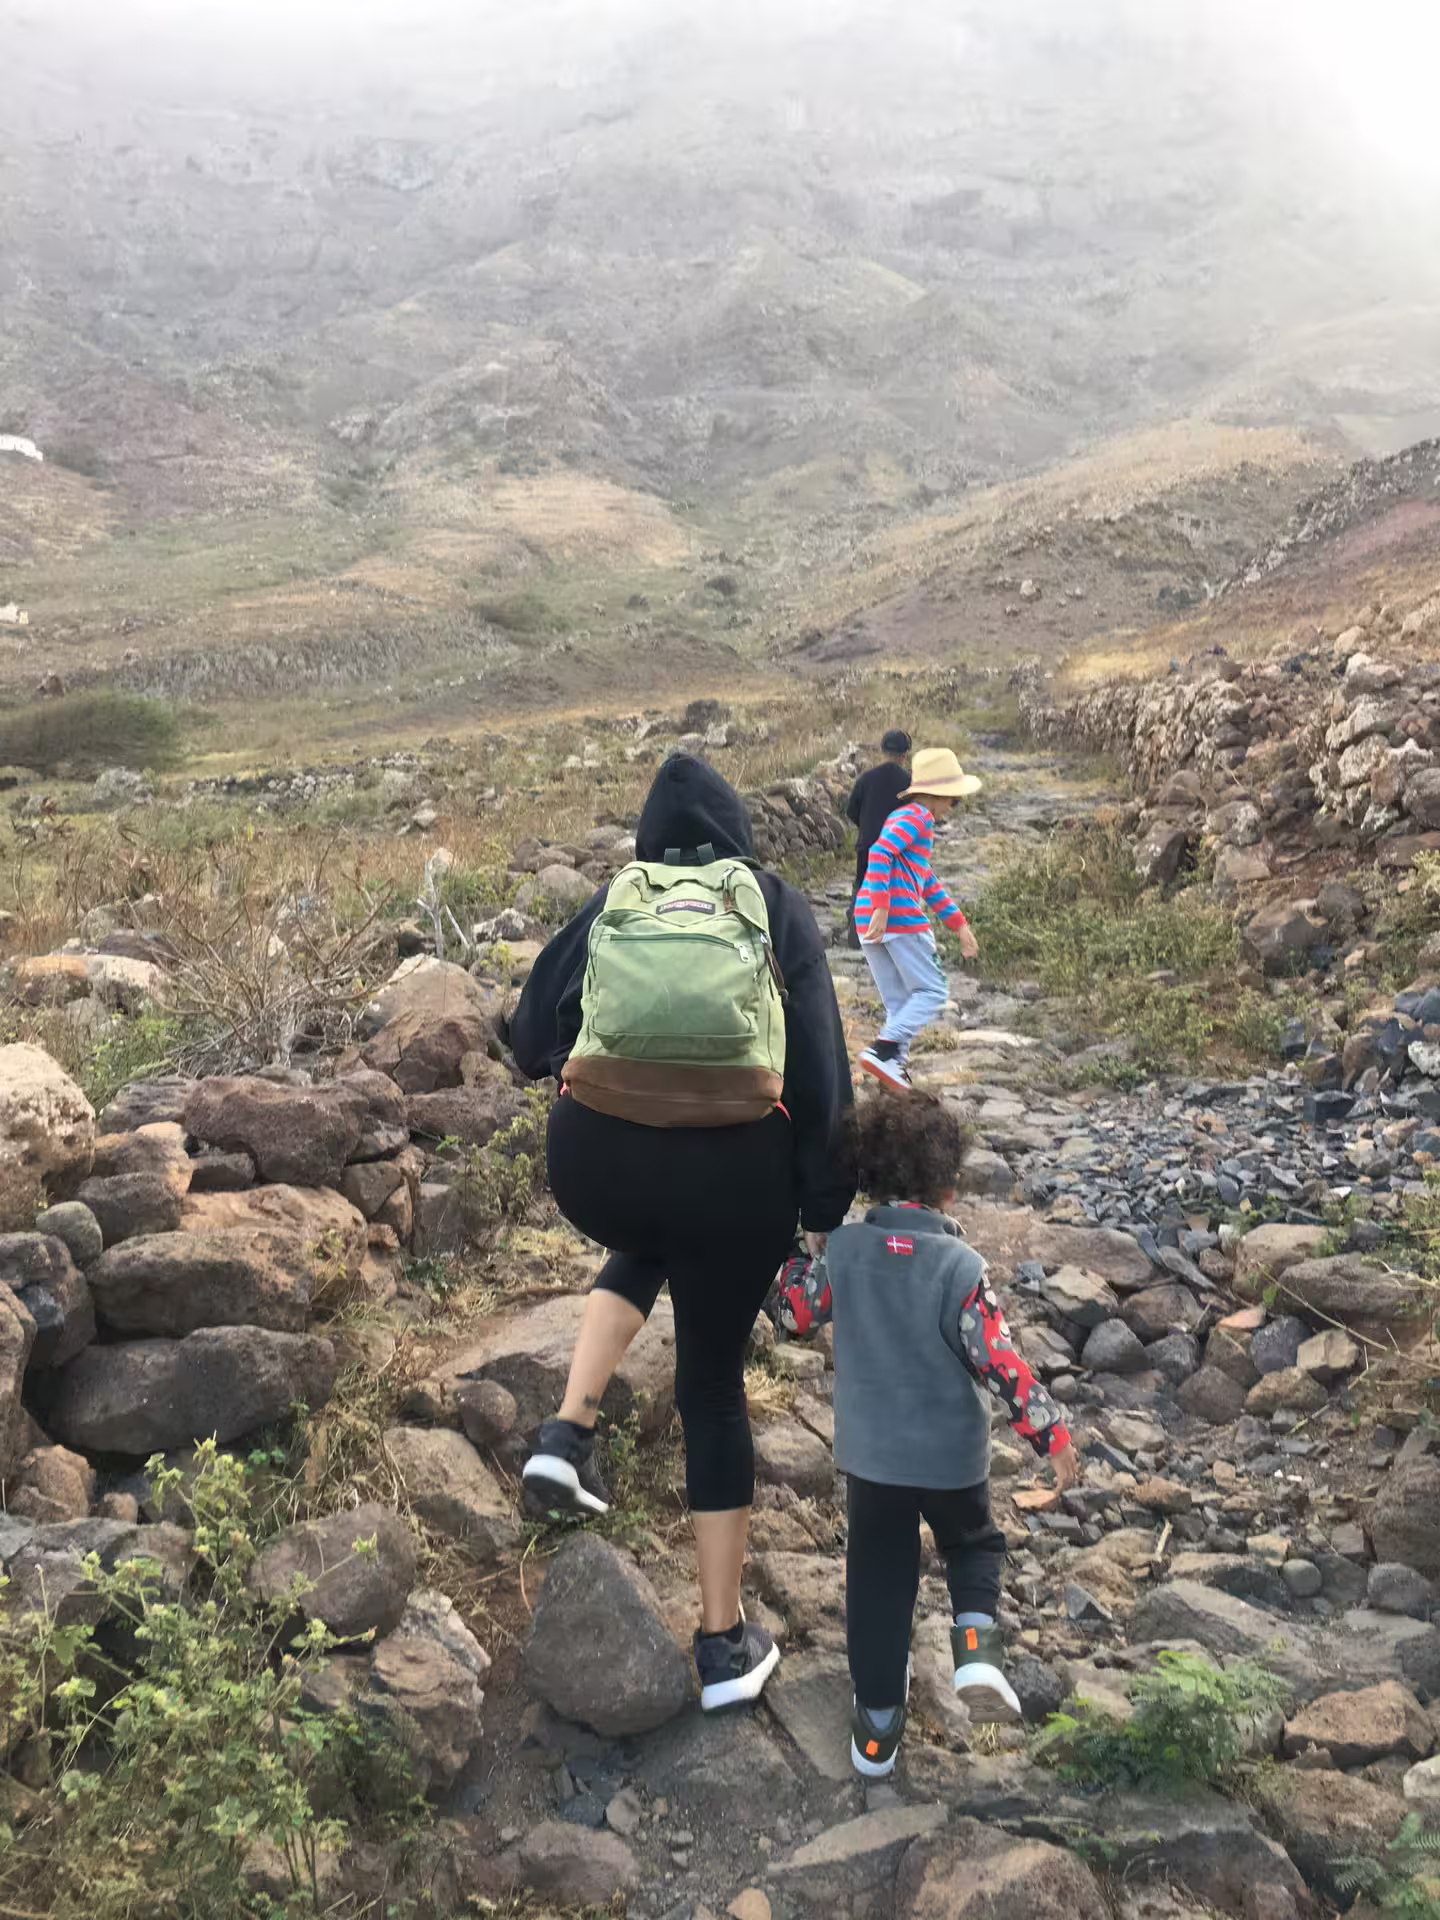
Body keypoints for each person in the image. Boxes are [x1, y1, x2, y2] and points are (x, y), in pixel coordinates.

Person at [508, 754, 856, 1711]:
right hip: (737, 1178)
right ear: (741, 831)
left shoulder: (618, 898)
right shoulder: (774, 906)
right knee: (709, 1387)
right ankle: (721, 1646)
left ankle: (564, 1434)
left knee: (655, 1225)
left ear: (649, 843)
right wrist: (819, 1209)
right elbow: (822, 1072)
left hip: (596, 1168)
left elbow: (529, 1033)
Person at [777, 1093, 1079, 1779]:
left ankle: (877, 1733)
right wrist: (1049, 1432)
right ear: (948, 1185)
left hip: (874, 1461)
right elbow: (998, 1359)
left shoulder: (847, 1251)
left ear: (870, 1179)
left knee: (879, 1581)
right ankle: (974, 1646)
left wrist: (798, 1253)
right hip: (951, 1458)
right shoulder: (959, 1267)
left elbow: (794, 1316)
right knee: (973, 1544)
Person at [855, 745, 982, 1093]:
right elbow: (879, 852)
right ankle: (882, 1051)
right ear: (937, 795)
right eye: (952, 800)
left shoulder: (902, 819)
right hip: (895, 919)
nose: (951, 808)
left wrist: (959, 924)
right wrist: (884, 907)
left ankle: (893, 1069)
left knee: (899, 1003)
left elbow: (925, 880)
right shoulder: (918, 818)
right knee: (932, 991)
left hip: (867, 918)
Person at [844, 731, 912, 948]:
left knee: (862, 886)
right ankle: (890, 938)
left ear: (883, 751)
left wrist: (865, 827)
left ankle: (855, 937)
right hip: (896, 847)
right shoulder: (909, 783)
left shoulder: (866, 779)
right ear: (904, 755)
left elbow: (850, 810)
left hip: (868, 844)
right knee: (892, 890)